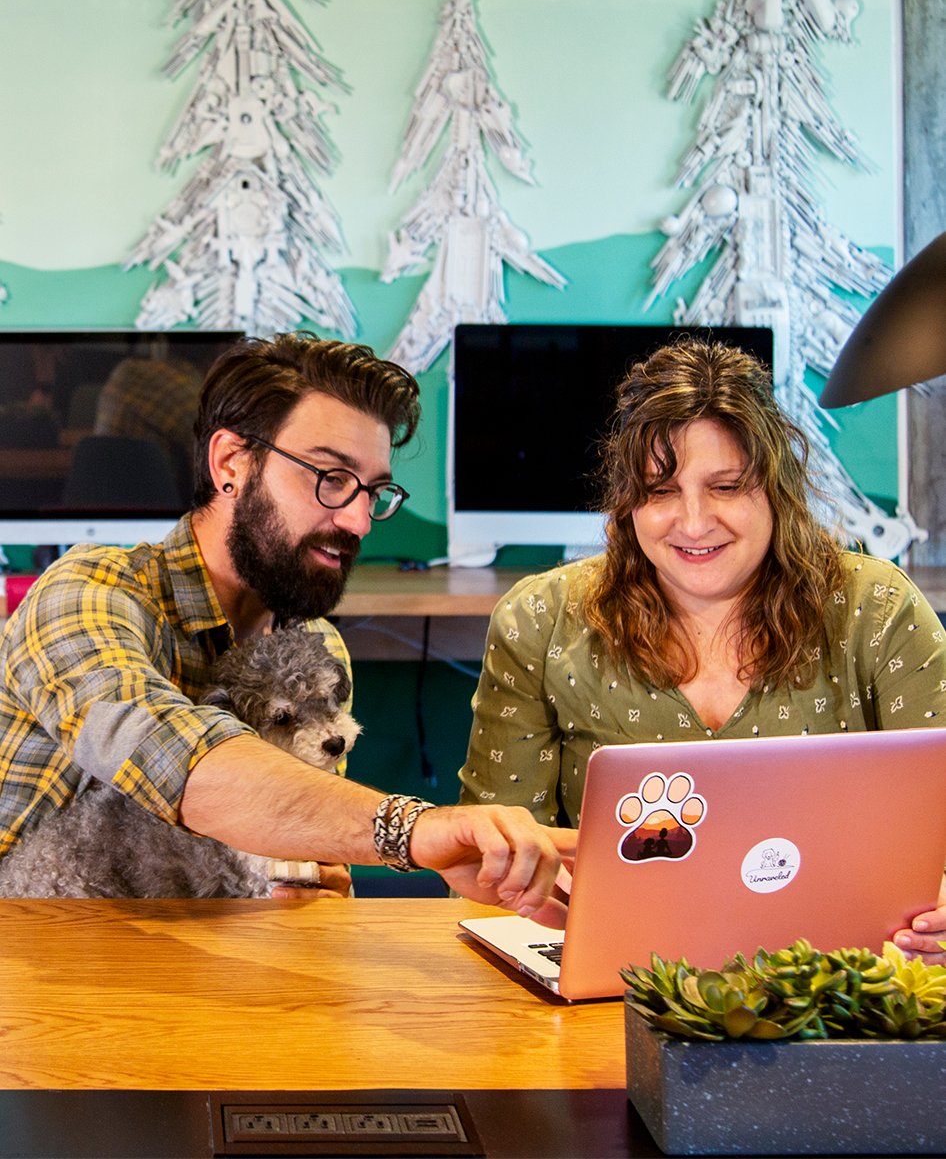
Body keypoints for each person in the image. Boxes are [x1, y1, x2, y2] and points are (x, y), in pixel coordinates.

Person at [0, 333, 568, 916]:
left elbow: (298, 837)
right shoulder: (88, 593)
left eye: (374, 492)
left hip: (197, 958)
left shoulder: (317, 646)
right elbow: (172, 758)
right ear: (231, 464)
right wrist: (413, 830)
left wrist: (309, 883)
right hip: (29, 950)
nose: (359, 521)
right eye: (331, 478)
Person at [459, 338, 946, 957]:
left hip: (842, 977)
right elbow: (489, 862)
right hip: (618, 978)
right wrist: (525, 878)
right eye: (660, 491)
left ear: (776, 488)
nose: (693, 523)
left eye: (726, 486)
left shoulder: (875, 611)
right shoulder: (543, 620)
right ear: (626, 500)